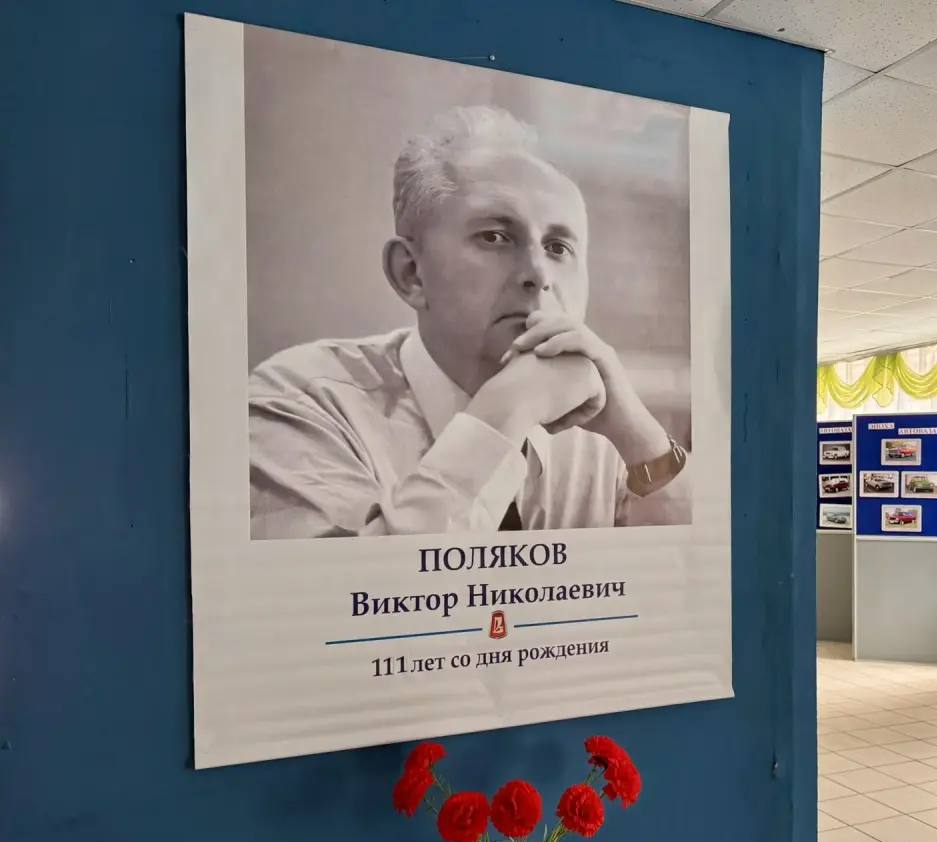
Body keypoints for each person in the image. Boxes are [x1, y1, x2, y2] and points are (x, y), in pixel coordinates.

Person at [247, 106, 690, 538]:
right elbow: (359, 587)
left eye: (558, 247)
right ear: (411, 273)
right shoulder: (297, 404)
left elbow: (703, 572)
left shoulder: (601, 430)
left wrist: (639, 437)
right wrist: (507, 412)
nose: (539, 273)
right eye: (495, 237)